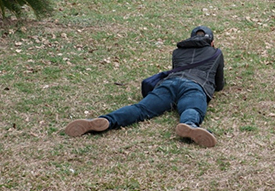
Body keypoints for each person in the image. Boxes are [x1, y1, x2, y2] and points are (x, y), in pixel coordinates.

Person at [65, 26, 225, 147]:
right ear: (211, 42)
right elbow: (219, 84)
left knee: (141, 109)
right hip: (195, 86)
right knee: (192, 108)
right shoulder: (216, 53)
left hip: (168, 84)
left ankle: (106, 120)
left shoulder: (178, 52)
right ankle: (189, 125)